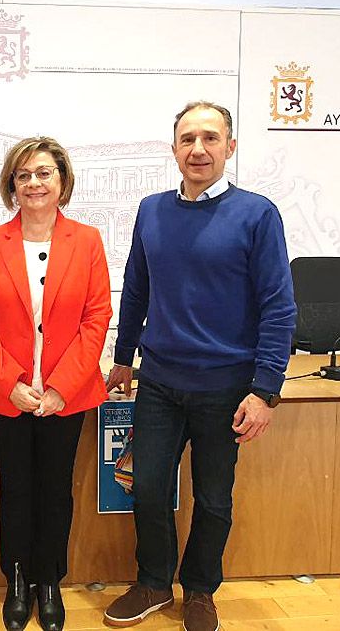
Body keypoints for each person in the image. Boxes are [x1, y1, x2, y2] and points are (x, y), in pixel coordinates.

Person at [102, 102, 295, 631]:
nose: (198, 149)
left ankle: (201, 590)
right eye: (188, 139)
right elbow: (137, 288)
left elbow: (279, 307)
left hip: (226, 389)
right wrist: (123, 358)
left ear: (230, 147)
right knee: (147, 489)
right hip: (159, 381)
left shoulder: (257, 214)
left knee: (213, 498)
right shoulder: (151, 209)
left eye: (211, 138)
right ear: (174, 149)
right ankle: (154, 583)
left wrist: (266, 390)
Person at [0, 136, 112, 631]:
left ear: (62, 181)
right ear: (12, 185)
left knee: (55, 490)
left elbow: (97, 320)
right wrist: (11, 383)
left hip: (64, 398)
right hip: (6, 397)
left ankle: (49, 580)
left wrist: (59, 388)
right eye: (24, 175)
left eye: (44, 173)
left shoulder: (87, 240)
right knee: (14, 489)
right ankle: (18, 580)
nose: (34, 183)